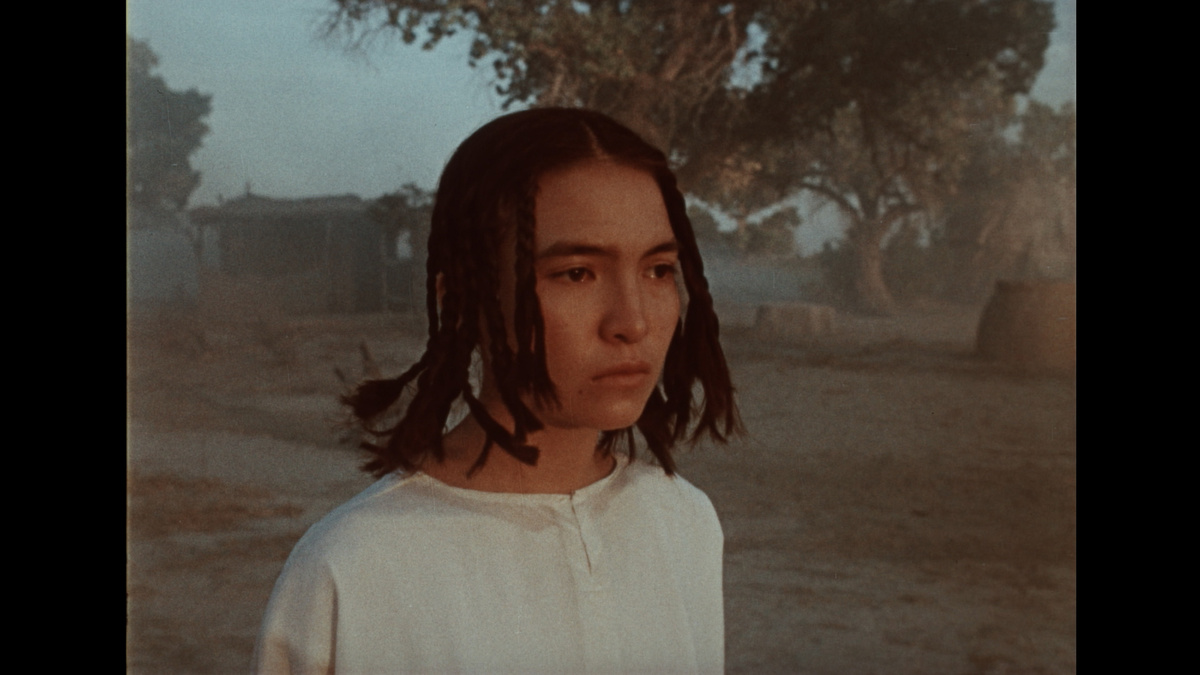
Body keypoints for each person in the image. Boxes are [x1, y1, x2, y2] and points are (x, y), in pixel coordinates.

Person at [254, 107, 742, 674]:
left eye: (658, 269)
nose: (631, 321)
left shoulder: (682, 520)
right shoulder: (355, 567)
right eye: (577, 273)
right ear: (461, 298)